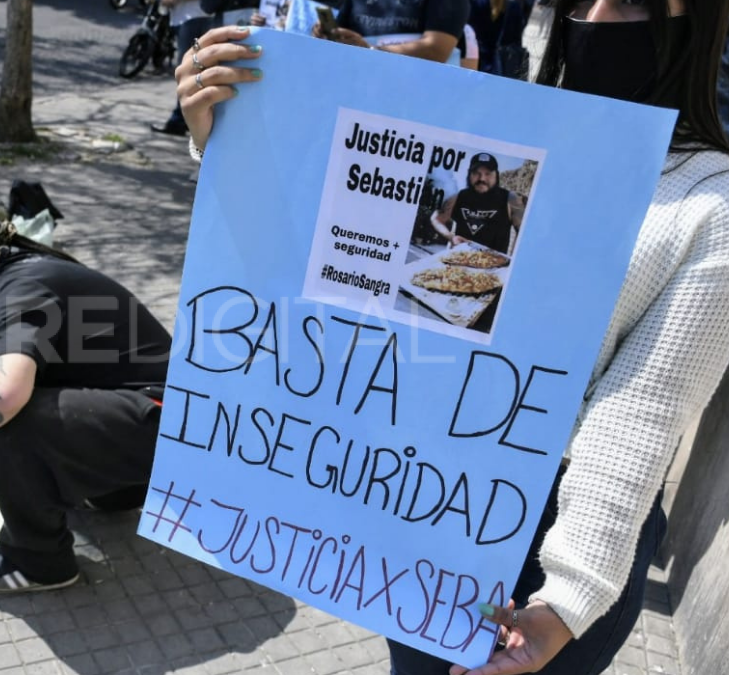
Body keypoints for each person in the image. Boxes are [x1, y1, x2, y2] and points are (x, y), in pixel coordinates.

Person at [176, 0, 729, 671]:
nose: (599, 14)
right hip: (433, 515)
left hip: (566, 552)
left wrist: (564, 603)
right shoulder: (500, 130)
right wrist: (235, 132)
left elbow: (639, 417)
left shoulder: (710, 207)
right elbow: (335, 261)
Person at [0, 201, 172, 594]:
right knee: (20, 390)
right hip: (158, 417)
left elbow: (0, 395)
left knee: (15, 418)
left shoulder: (17, 290)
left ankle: (37, 562)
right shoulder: (14, 267)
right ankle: (116, 492)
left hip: (166, 428)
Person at [312, 0, 471, 63]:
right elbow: (342, 37)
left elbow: (436, 49)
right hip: (358, 94)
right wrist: (327, 34)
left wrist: (370, 51)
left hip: (412, 108)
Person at [432, 153, 525, 254]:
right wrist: (451, 237)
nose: (482, 179)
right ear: (469, 174)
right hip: (458, 262)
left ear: (496, 175)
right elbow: (436, 219)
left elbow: (524, 233)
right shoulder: (459, 197)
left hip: (493, 267)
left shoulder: (510, 199)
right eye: (476, 173)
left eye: (488, 173)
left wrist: (512, 261)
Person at [151, 0, 215, 136]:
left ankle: (179, 121)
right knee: (190, 72)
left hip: (195, 18)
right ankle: (185, 120)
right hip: (184, 18)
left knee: (188, 72)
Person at [468, 0, 530, 76]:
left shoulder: (475, 3)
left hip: (475, 60)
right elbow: (516, 42)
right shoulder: (514, 6)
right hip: (501, 66)